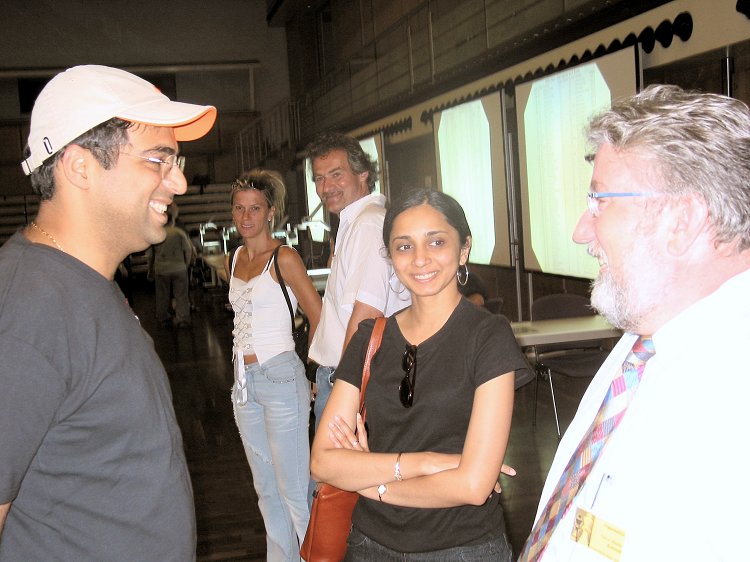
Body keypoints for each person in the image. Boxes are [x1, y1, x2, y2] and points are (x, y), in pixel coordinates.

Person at [518, 85, 750, 561]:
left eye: (601, 201)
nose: (582, 230)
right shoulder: (647, 340)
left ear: (682, 219)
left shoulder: (734, 391)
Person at [0, 65, 216, 559]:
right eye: (158, 160)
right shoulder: (26, 310)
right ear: (80, 167)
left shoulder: (81, 285)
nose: (179, 183)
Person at [310, 189, 528, 561]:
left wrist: (373, 485)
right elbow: (323, 462)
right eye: (404, 246)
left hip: (462, 548)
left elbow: (474, 486)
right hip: (369, 546)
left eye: (437, 242)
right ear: (391, 258)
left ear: (464, 249)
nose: (421, 259)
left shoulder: (488, 336)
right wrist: (424, 463)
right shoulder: (370, 338)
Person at [223, 168, 322, 562]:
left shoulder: (284, 257)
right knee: (266, 491)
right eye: (239, 208)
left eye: (255, 208)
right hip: (243, 382)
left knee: (295, 492)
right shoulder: (235, 259)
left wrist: (311, 371)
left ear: (271, 212)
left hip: (281, 377)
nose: (246, 216)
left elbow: (318, 316)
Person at [305, 132, 410, 429]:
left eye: (336, 175)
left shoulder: (367, 224)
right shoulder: (358, 221)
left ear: (363, 173)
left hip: (354, 379)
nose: (326, 187)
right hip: (346, 374)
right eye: (320, 178)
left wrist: (343, 385)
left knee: (335, 474)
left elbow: (365, 316)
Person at [148, 202, 195, 328]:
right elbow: (188, 250)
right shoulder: (178, 232)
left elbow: (150, 255)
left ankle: (163, 318)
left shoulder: (156, 234)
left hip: (161, 268)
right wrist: (186, 264)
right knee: (181, 295)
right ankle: (182, 319)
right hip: (179, 268)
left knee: (162, 295)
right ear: (172, 220)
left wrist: (150, 270)